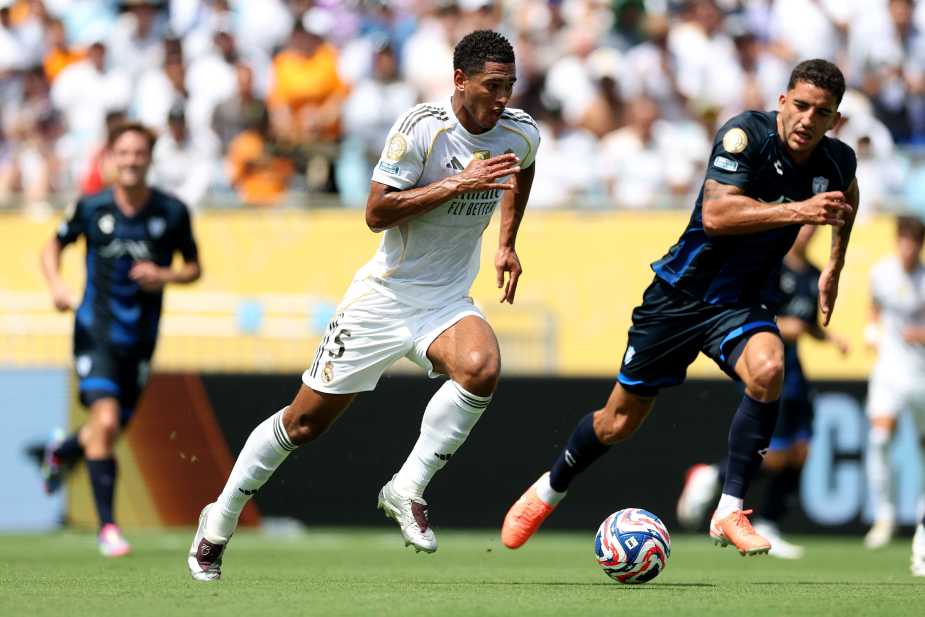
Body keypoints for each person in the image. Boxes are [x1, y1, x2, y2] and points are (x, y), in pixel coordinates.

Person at [187, 30, 539, 581]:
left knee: (482, 367)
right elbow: (376, 212)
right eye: (492, 86)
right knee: (303, 425)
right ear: (459, 81)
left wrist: (507, 242)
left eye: (509, 86)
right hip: (383, 298)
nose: (502, 98)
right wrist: (455, 184)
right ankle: (219, 517)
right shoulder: (422, 128)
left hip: (444, 300)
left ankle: (407, 488)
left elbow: (522, 168)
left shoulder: (520, 133)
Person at [501, 58, 859, 557]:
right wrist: (800, 211)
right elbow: (715, 215)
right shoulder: (745, 136)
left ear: (834, 120)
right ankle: (549, 488)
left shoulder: (836, 160)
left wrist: (833, 268)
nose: (807, 119)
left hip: (739, 302)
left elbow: (846, 198)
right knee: (618, 423)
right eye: (800, 105)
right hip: (679, 296)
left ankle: (730, 508)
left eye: (821, 113)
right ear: (782, 102)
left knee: (770, 368)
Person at [36, 121, 202, 557]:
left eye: (139, 153)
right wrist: (56, 287)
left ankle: (60, 452)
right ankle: (108, 528)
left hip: (141, 339)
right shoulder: (92, 207)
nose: (131, 161)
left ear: (150, 158)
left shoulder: (171, 212)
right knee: (105, 424)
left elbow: (194, 267)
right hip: (96, 331)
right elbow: (51, 246)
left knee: (104, 433)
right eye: (123, 153)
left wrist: (164, 274)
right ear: (111, 157)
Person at [675, 224, 850, 559]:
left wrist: (831, 338)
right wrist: (787, 327)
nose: (809, 232)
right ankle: (714, 475)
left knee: (801, 452)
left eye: (814, 227)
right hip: (768, 366)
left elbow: (807, 324)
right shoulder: (771, 267)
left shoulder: (813, 274)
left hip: (796, 372)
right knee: (777, 455)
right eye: (804, 225)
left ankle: (770, 522)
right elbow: (756, 314)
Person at [863, 216, 925, 555]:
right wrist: (871, 330)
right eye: (904, 240)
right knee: (880, 438)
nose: (909, 247)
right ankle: (884, 516)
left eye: (915, 241)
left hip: (921, 376)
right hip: (889, 370)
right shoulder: (881, 273)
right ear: (897, 240)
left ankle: (921, 517)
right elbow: (873, 307)